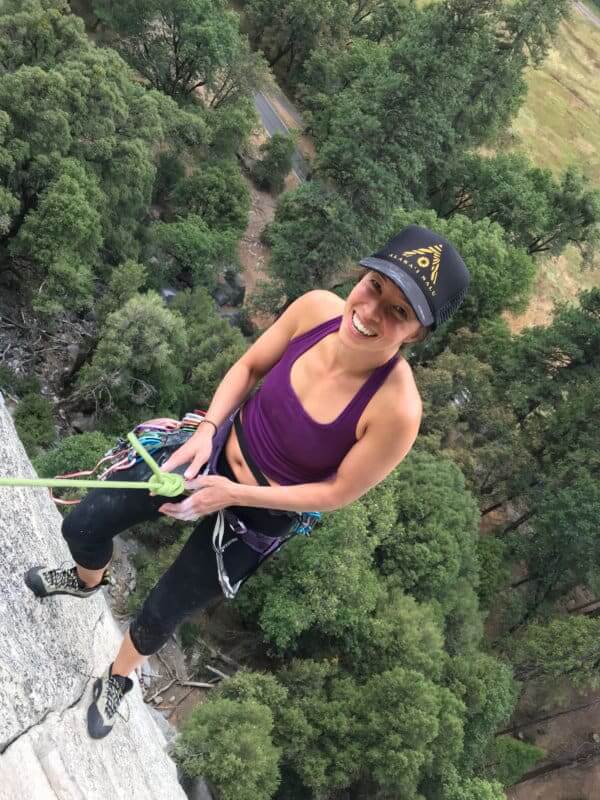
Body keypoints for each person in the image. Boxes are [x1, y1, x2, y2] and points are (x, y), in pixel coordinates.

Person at [24, 225, 470, 739]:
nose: (371, 312)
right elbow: (251, 364)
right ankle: (86, 581)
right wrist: (206, 432)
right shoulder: (315, 310)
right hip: (211, 447)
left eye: (399, 312)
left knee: (163, 609)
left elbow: (337, 493)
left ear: (417, 333)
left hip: (259, 512)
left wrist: (235, 493)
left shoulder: (396, 409)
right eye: (374, 287)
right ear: (362, 277)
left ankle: (119, 677)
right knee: (84, 524)